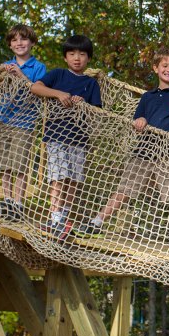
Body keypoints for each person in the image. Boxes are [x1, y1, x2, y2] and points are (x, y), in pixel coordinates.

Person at [75, 48, 169, 253]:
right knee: (124, 190)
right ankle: (96, 223)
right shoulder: (147, 97)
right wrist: (139, 121)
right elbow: (138, 119)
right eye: (165, 66)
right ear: (156, 68)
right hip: (144, 150)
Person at [30, 35, 102, 240]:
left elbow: (96, 112)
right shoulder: (58, 75)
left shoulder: (91, 84)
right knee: (59, 177)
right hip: (57, 135)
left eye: (82, 54)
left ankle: (65, 218)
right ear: (65, 57)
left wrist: (83, 105)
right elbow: (35, 87)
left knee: (73, 180)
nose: (77, 58)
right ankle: (54, 217)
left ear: (88, 58)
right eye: (72, 54)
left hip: (79, 139)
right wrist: (58, 94)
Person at [0, 24, 46, 220]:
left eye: (23, 39)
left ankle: (18, 204)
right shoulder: (5, 65)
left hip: (25, 122)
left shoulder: (38, 67)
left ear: (31, 42)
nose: (19, 43)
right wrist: (4, 76)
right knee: (4, 165)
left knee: (19, 165)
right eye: (14, 40)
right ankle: (6, 201)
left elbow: (37, 91)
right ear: (10, 45)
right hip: (3, 119)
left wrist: (21, 76)